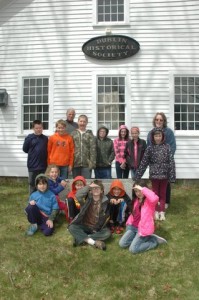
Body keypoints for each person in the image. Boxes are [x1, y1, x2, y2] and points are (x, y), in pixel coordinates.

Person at [135, 128, 176, 221]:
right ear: (153, 137)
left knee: (163, 194)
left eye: (159, 136)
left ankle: (162, 212)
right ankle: (155, 211)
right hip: (154, 176)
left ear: (162, 137)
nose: (158, 138)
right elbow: (144, 162)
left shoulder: (167, 147)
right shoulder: (150, 148)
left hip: (165, 175)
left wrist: (172, 176)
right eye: (156, 136)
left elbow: (171, 162)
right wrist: (138, 175)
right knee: (155, 194)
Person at [119, 180, 167, 254]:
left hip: (143, 229)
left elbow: (155, 198)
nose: (138, 193)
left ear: (145, 190)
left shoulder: (149, 201)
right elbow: (133, 215)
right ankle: (138, 238)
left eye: (140, 191)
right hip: (133, 227)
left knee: (133, 249)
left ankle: (153, 241)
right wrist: (129, 224)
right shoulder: (136, 200)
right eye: (136, 191)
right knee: (122, 244)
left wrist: (143, 189)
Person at [68, 180, 111, 251]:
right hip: (85, 225)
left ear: (101, 190)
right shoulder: (86, 199)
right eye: (94, 188)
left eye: (98, 188)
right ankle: (93, 242)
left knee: (107, 233)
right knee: (72, 227)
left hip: (96, 228)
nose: (96, 189)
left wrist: (96, 229)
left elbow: (104, 218)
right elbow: (78, 195)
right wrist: (89, 186)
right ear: (90, 190)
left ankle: (80, 238)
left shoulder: (105, 202)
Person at [147, 112, 176, 208]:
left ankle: (165, 201)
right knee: (155, 185)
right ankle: (156, 201)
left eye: (161, 120)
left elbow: (172, 147)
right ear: (154, 121)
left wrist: (167, 158)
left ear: (164, 121)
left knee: (165, 184)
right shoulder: (150, 133)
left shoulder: (169, 132)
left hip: (165, 162)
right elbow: (149, 147)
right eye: (157, 119)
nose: (158, 121)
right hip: (154, 164)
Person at [23, 120, 48, 194]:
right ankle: (32, 200)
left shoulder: (45, 138)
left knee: (42, 184)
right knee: (32, 184)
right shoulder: (29, 138)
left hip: (43, 166)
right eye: (37, 128)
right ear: (33, 128)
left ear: (42, 128)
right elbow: (25, 149)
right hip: (32, 166)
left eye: (40, 128)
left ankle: (41, 200)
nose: (39, 129)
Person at [71, 114, 96, 179]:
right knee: (76, 183)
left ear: (86, 123)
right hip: (75, 163)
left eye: (84, 122)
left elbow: (93, 149)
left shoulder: (89, 134)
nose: (82, 123)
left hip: (87, 164)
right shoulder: (73, 133)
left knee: (86, 183)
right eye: (81, 121)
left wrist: (92, 162)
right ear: (78, 122)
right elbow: (70, 148)